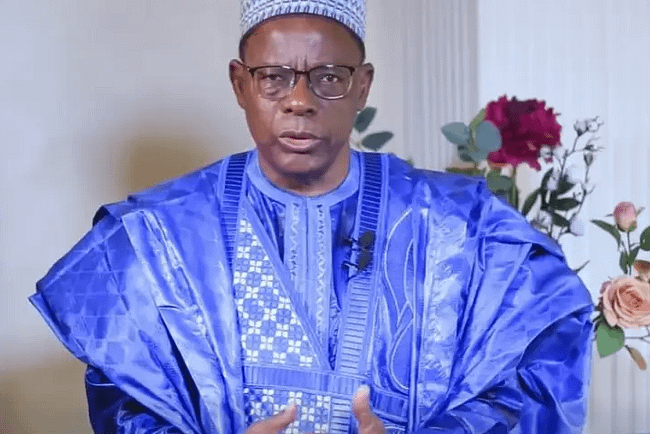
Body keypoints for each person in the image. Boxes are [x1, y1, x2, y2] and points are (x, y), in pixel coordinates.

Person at [30, 1, 594, 433]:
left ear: (362, 86)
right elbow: (127, 406)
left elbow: (534, 370)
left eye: (328, 77)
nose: (299, 101)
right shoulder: (160, 234)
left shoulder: (458, 224)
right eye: (273, 77)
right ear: (240, 84)